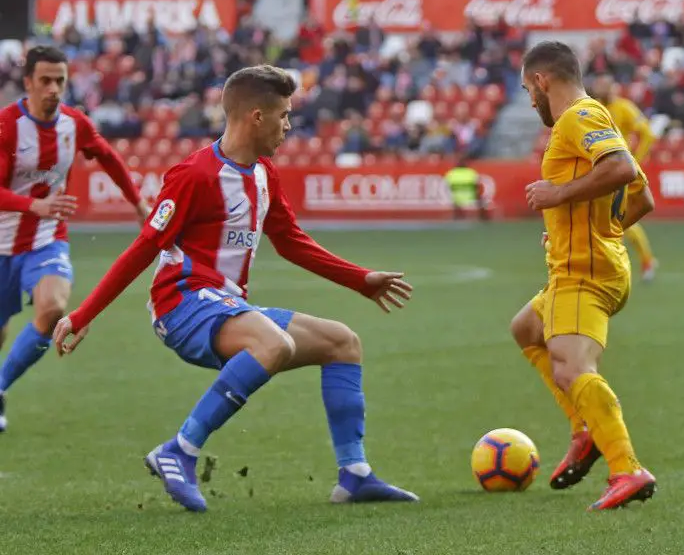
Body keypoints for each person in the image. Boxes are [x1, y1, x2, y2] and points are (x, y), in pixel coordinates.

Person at [52, 65, 419, 512]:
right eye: (284, 115)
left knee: (342, 342)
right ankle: (179, 450)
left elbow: (291, 242)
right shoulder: (194, 175)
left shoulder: (264, 173)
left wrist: (359, 279)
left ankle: (355, 474)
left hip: (224, 304)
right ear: (256, 117)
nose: (289, 125)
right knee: (274, 343)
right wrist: (81, 315)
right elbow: (143, 248)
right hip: (181, 305)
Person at [511, 41, 657, 511]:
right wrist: (583, 229)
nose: (530, 101)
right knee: (527, 328)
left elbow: (622, 168)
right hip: (583, 262)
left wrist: (558, 197)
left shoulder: (578, 117)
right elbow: (642, 199)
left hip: (584, 272)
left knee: (572, 367)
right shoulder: (595, 118)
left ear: (541, 81)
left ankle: (626, 468)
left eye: (527, 90)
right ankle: (584, 430)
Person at [0, 46, 149, 432]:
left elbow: (107, 156)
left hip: (47, 240)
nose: (53, 88)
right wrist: (34, 207)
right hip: (2, 244)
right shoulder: (7, 126)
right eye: (45, 80)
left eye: (60, 81)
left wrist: (137, 203)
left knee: (52, 309)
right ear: (28, 82)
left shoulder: (74, 124)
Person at [592, 75, 658, 280]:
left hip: (619, 172)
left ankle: (640, 262)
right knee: (606, 218)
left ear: (613, 87)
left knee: (616, 218)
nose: (600, 88)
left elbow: (648, 134)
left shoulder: (625, 107)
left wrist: (636, 161)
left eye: (604, 85)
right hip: (602, 170)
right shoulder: (594, 109)